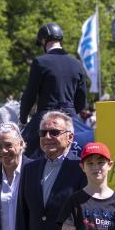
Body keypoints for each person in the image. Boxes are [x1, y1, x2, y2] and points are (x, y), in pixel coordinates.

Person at [20, 23, 87, 159]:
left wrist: (22, 118)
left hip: (46, 115)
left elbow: (30, 95)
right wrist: (71, 115)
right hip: (71, 116)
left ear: (44, 41)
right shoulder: (77, 63)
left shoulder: (40, 62)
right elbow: (82, 99)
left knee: (21, 150)